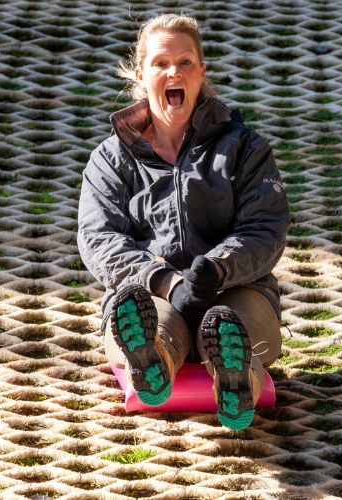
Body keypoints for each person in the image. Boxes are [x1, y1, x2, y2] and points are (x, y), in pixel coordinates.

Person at [77, 13, 289, 431]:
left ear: (201, 71)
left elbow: (266, 228)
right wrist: (166, 281)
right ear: (142, 73)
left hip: (237, 290)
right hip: (149, 294)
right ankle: (151, 358)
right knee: (147, 322)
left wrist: (216, 268)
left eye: (186, 62)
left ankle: (236, 375)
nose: (174, 71)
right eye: (161, 63)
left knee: (232, 325)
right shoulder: (111, 159)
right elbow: (99, 238)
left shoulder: (244, 147)